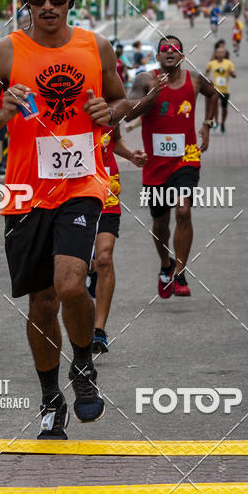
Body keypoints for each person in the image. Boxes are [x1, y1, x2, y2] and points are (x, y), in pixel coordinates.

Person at [0, 0, 129, 440]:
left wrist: (109, 111)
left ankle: (84, 366)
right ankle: (51, 398)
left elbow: (121, 100)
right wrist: (2, 114)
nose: (48, 5)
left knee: (72, 284)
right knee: (41, 304)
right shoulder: (4, 54)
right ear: (26, 2)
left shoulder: (96, 46)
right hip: (25, 194)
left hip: (81, 185)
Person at [127, 35, 217, 299]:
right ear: (157, 56)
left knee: (183, 211)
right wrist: (151, 95)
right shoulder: (145, 80)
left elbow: (214, 94)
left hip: (186, 158)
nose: (170, 52)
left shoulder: (195, 80)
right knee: (160, 221)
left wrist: (207, 125)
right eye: (164, 49)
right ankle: (165, 264)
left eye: (175, 49)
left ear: (182, 56)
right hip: (155, 164)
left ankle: (180, 273)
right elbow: (128, 114)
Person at [92, 125, 146, 354]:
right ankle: (89, 270)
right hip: (72, 191)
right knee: (82, 262)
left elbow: (113, 139)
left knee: (104, 258)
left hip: (107, 190)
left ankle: (99, 331)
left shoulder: (110, 107)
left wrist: (131, 155)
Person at [205, 43, 236, 134]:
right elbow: (207, 71)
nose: (220, 54)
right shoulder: (212, 63)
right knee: (215, 106)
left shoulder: (228, 63)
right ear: (215, 54)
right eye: (218, 52)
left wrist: (232, 73)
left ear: (225, 54)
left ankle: (223, 123)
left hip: (225, 90)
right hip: (215, 89)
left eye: (222, 52)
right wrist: (207, 78)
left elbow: (234, 74)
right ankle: (217, 122)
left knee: (224, 108)